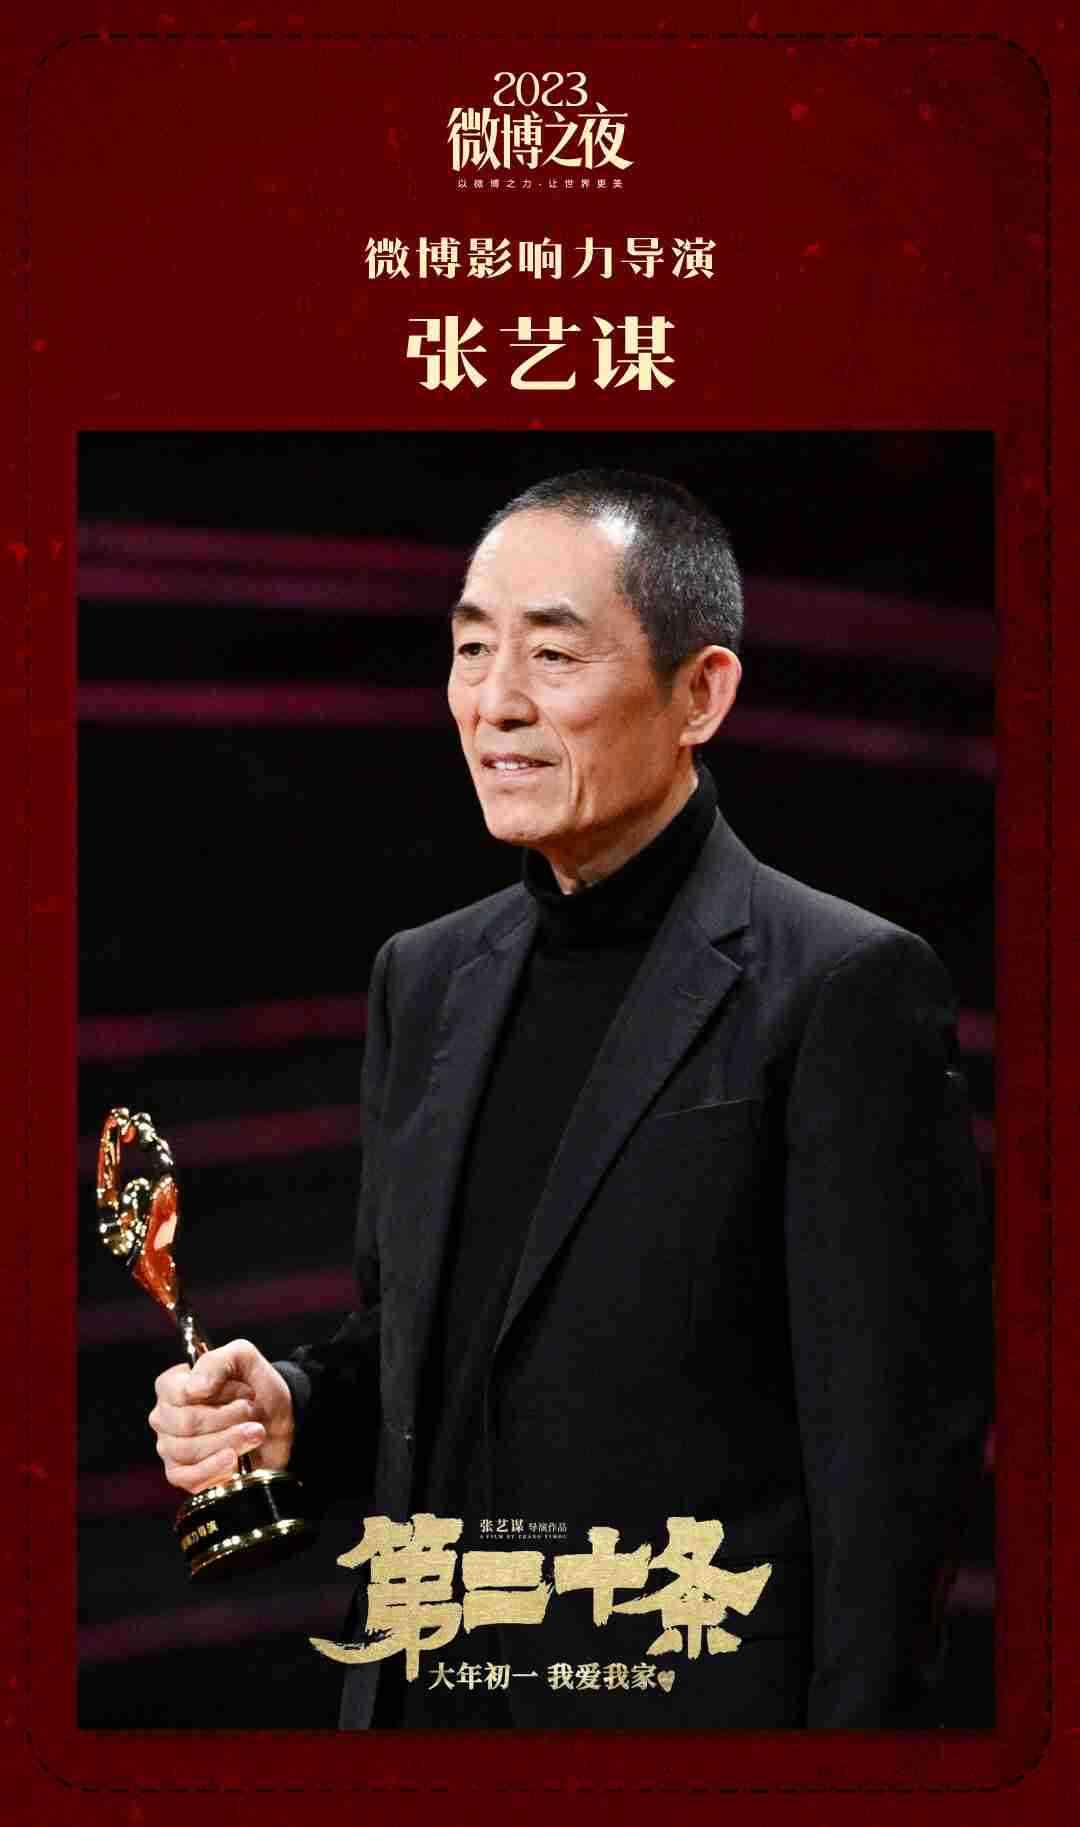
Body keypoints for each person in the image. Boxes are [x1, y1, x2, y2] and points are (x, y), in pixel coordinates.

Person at [148, 469, 989, 1730]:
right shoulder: (425, 978)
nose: (497, 702)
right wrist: (295, 1412)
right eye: (471, 649)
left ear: (701, 693)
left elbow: (891, 1482)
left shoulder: (842, 987)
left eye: (552, 653)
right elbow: (416, 1352)